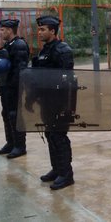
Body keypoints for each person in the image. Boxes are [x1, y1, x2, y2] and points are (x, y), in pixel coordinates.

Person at [28, 15, 75, 190]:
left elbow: (67, 80)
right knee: (50, 135)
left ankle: (66, 174)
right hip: (46, 101)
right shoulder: (44, 51)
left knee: (59, 137)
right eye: (39, 29)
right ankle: (57, 169)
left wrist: (67, 106)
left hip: (60, 102)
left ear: (52, 31)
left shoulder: (62, 50)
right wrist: (31, 98)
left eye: (43, 29)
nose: (39, 32)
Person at [0, 19, 30, 159]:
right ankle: (10, 143)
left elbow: (20, 69)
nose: (1, 32)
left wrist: (14, 87)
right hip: (6, 86)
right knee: (6, 114)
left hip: (14, 87)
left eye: (3, 30)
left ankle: (20, 146)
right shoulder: (9, 45)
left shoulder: (19, 45)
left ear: (10, 30)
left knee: (15, 115)